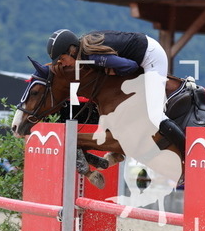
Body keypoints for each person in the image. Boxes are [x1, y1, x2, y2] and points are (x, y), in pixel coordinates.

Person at [46, 29, 185, 153]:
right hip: (144, 48)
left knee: (155, 115)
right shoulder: (84, 49)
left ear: (72, 50)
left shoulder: (92, 57)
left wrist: (111, 70)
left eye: (62, 59)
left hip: (151, 58)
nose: (63, 64)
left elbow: (130, 66)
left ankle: (187, 150)